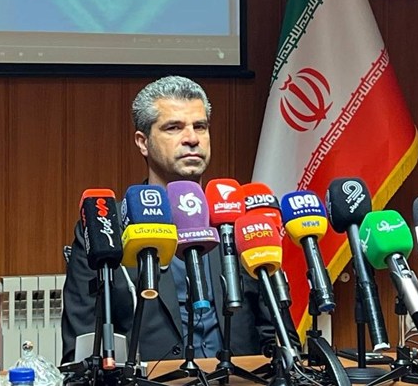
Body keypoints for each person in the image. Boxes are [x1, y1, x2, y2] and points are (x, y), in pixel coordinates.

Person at [61, 75, 298, 363]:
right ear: (143, 142)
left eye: (200, 126)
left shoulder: (240, 221)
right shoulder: (106, 228)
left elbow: (277, 334)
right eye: (174, 127)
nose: (192, 139)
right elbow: (81, 347)